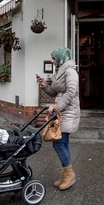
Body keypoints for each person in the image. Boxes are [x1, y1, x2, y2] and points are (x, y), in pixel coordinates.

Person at [36, 47, 80, 191]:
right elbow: (55, 92)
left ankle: (69, 175)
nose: (52, 60)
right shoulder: (59, 72)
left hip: (69, 111)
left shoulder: (70, 71)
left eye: (54, 58)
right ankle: (66, 174)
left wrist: (57, 107)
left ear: (61, 57)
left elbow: (71, 92)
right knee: (63, 143)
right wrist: (44, 85)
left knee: (59, 144)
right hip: (61, 111)